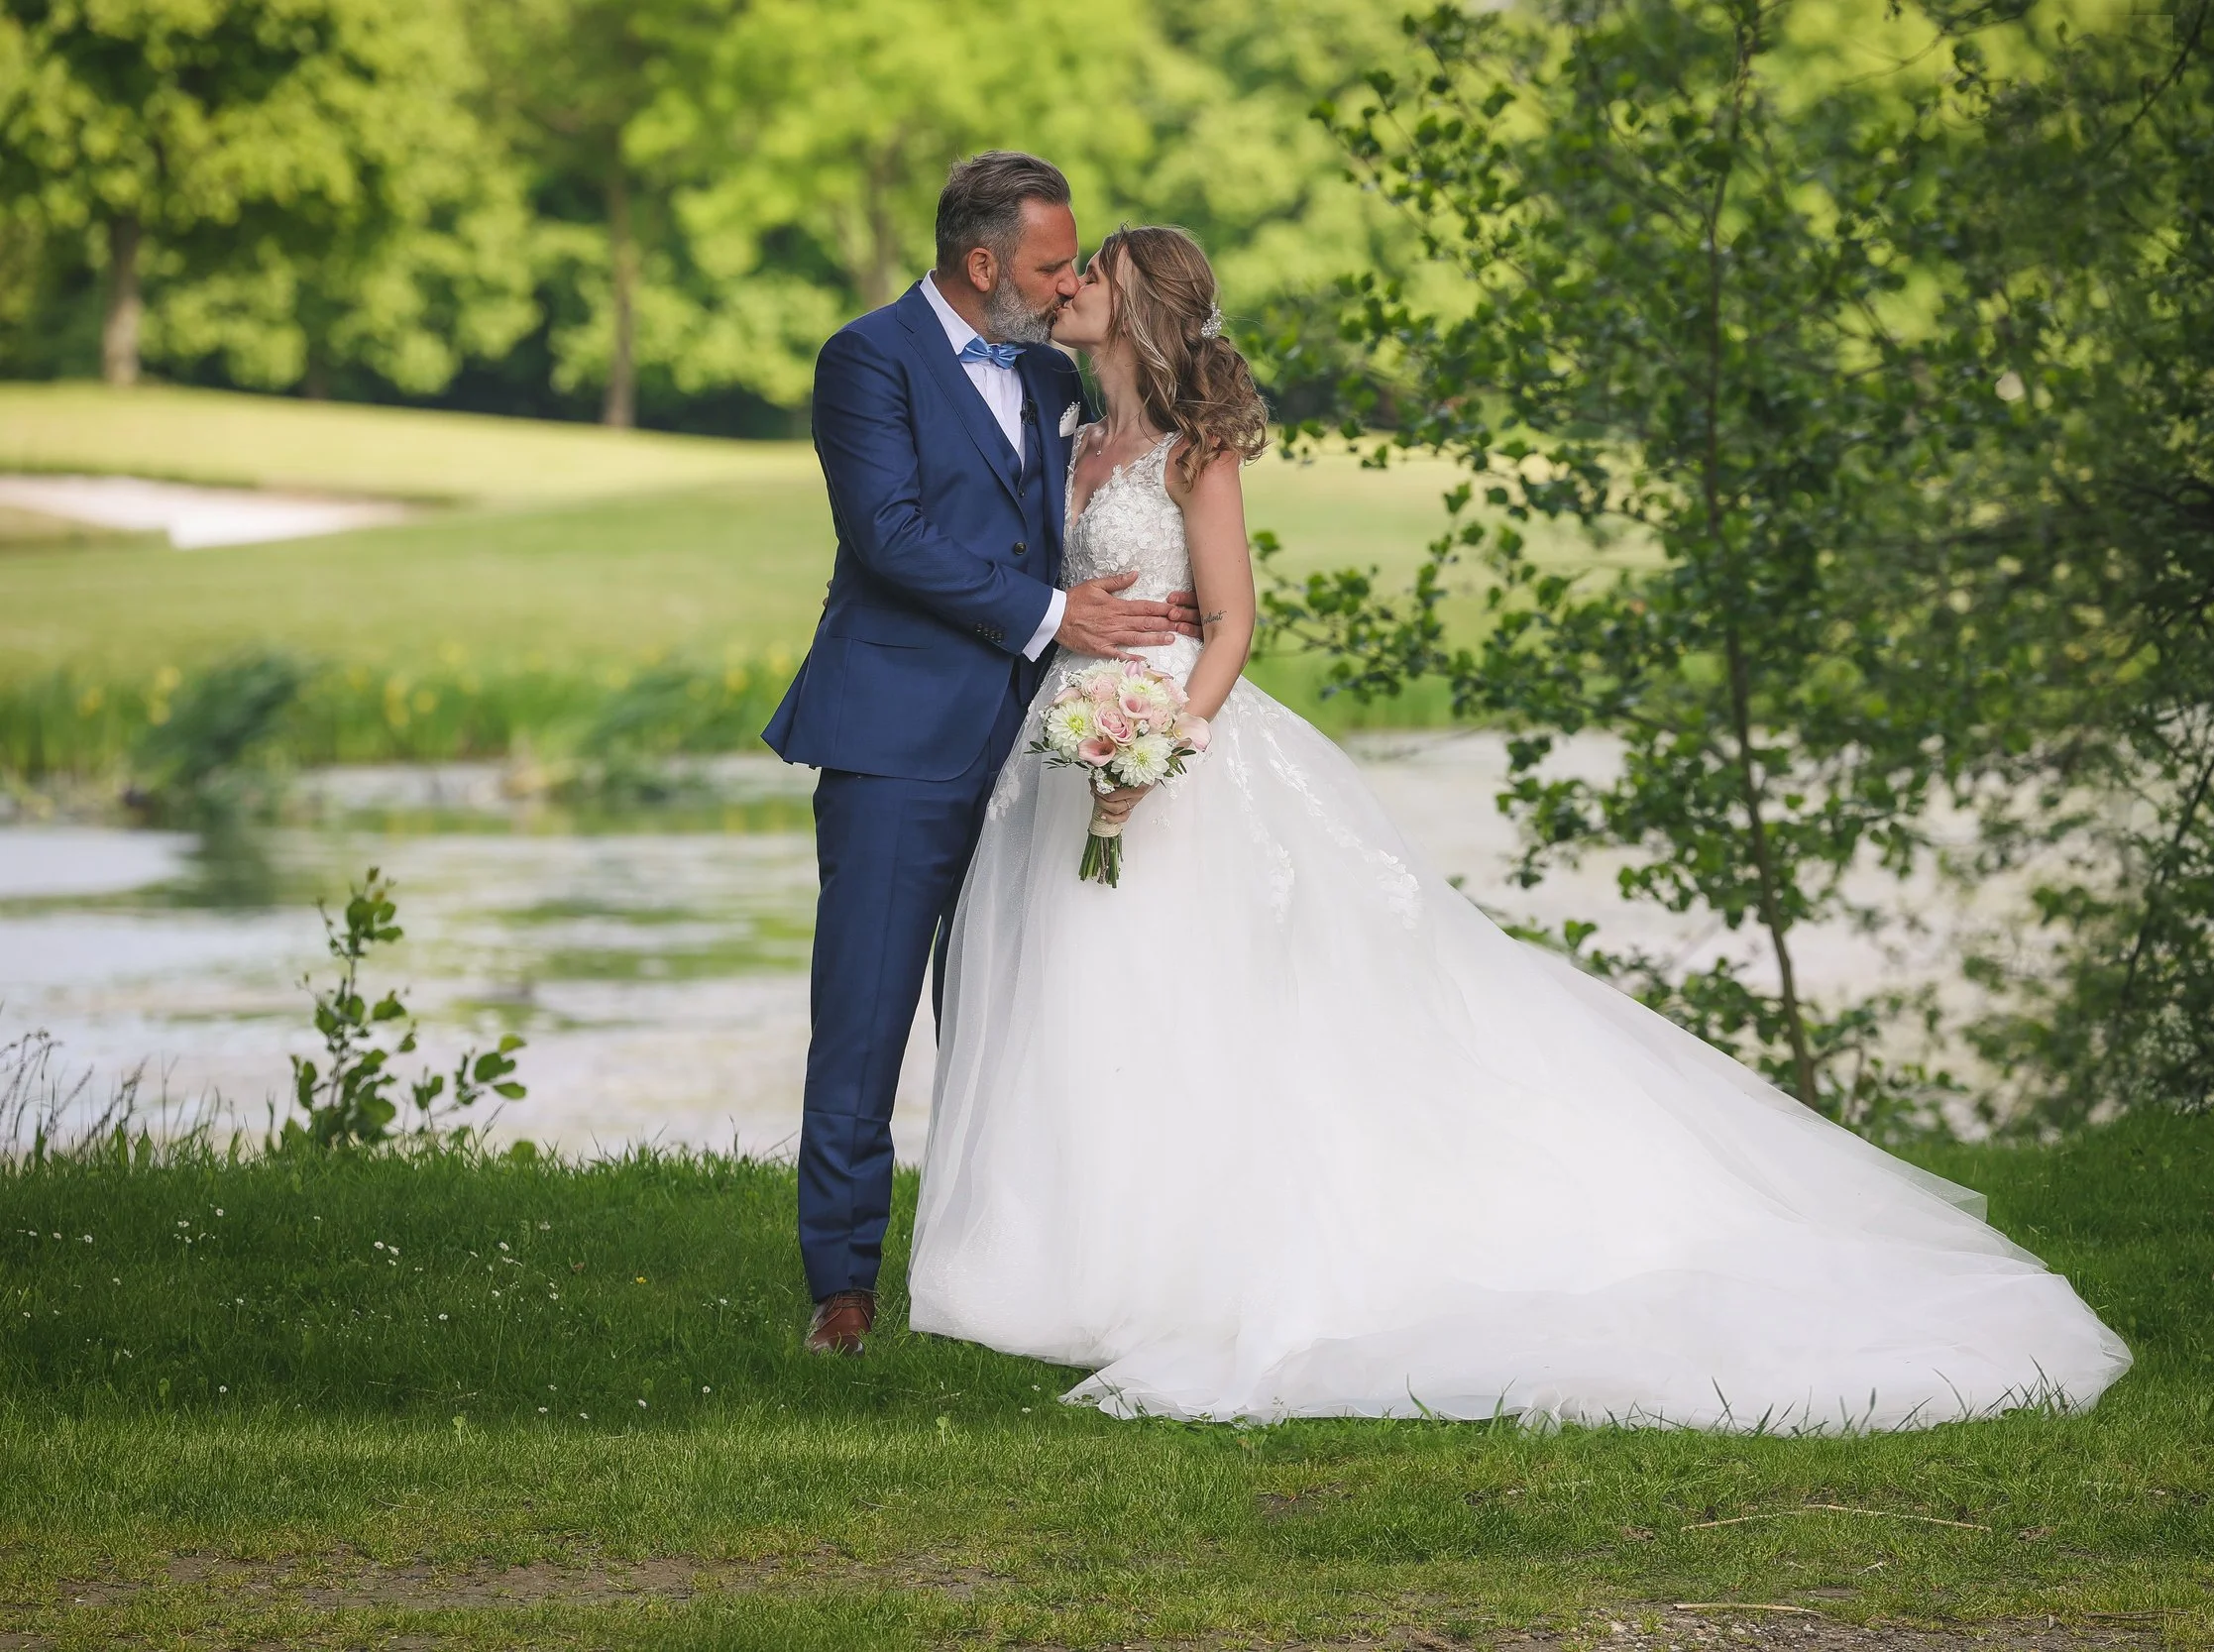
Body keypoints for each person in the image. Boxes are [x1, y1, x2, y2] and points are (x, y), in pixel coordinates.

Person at [906, 224, 2133, 1431]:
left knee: (1194, 1000)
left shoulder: (1194, 454)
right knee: (1079, 993)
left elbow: (1230, 621)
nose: (1069, 284)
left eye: (1095, 272)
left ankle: (1188, 1263)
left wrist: (1167, 744)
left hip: (1173, 744)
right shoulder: (1067, 434)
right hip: (1064, 742)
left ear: (1138, 309)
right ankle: (1071, 1267)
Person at [761, 154, 1199, 1356]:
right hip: (895, 739)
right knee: (864, 1018)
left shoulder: (1054, 371)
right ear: (981, 262)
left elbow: (1088, 513)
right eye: (1052, 265)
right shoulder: (866, 359)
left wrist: (1145, 625)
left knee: (1014, 1015)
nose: (1067, 285)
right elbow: (889, 533)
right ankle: (843, 1287)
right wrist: (1061, 615)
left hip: (1039, 749)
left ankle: (998, 1270)